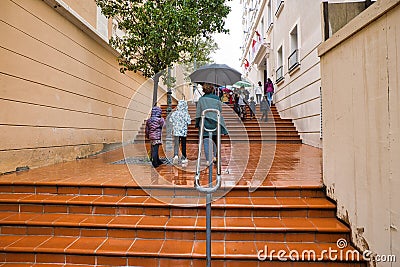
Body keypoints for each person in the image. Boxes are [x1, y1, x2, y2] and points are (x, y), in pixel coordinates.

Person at [195, 83, 228, 165]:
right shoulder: (217, 98)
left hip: (205, 122)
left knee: (206, 141)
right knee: (216, 140)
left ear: (204, 90)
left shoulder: (201, 99)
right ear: (212, 89)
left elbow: (198, 113)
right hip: (216, 122)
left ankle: (208, 159)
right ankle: (216, 157)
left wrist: (197, 124)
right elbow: (220, 110)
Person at [169, 100, 191, 164]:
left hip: (176, 131)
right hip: (183, 131)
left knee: (176, 144)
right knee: (183, 144)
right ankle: (183, 157)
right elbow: (189, 122)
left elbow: (171, 120)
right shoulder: (186, 114)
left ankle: (175, 155)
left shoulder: (174, 113)